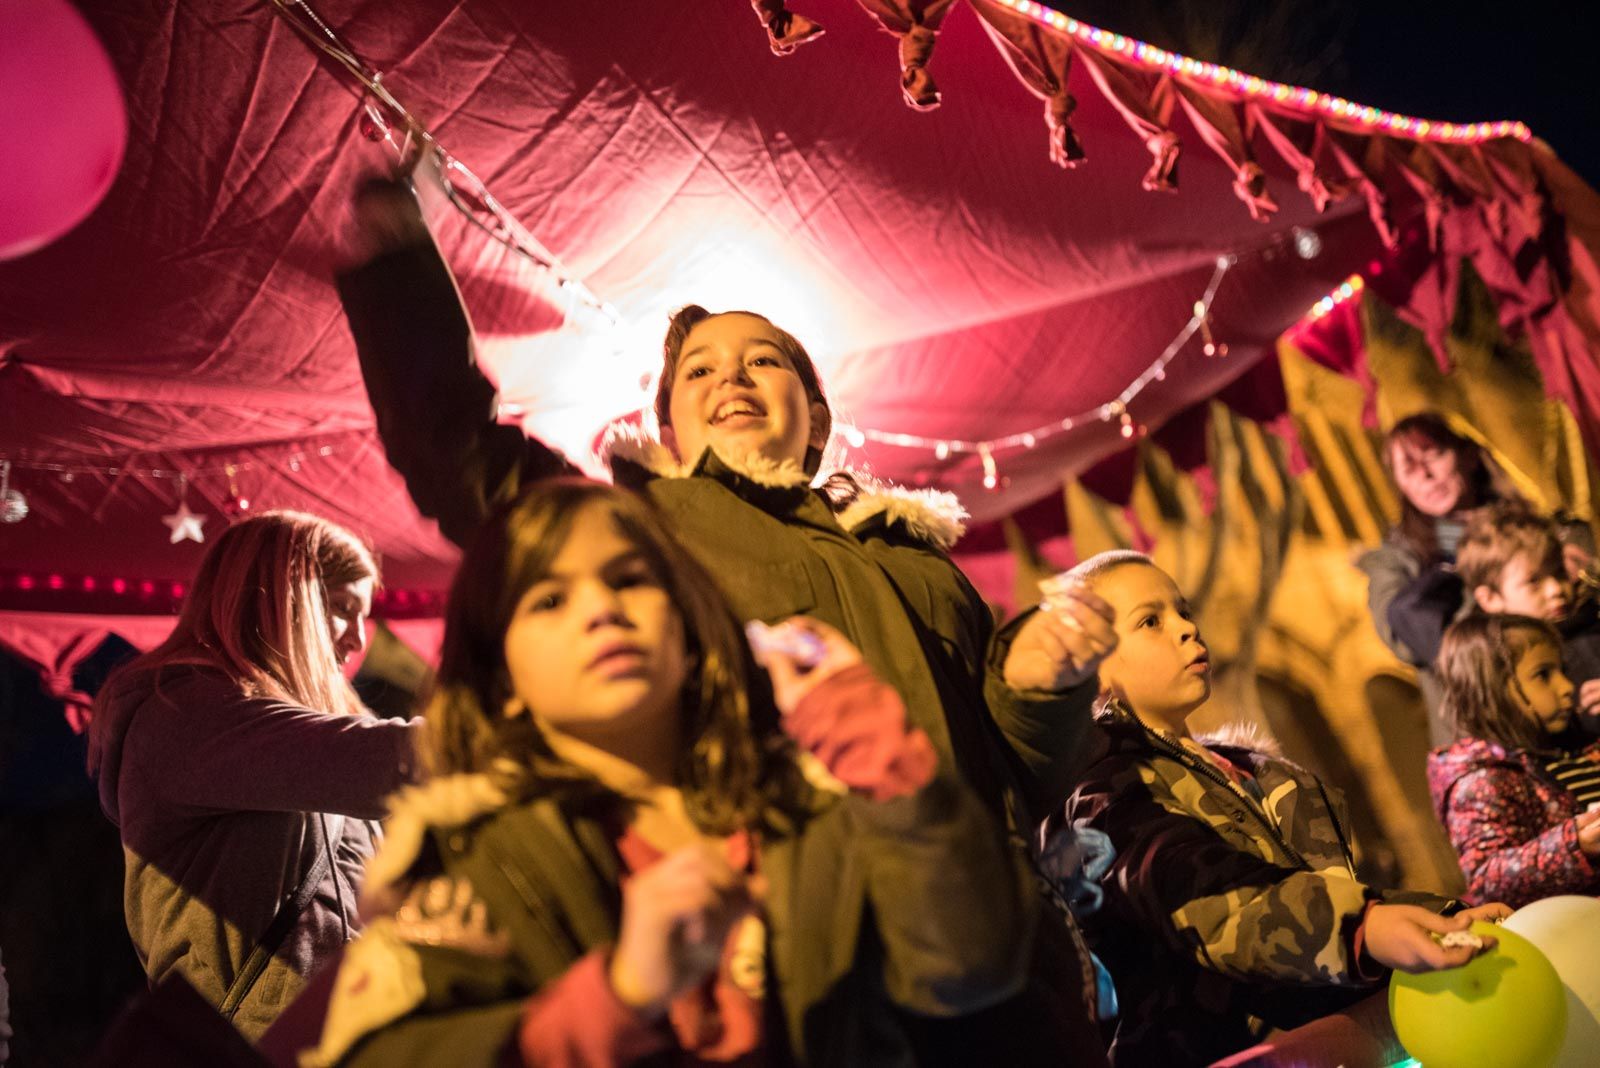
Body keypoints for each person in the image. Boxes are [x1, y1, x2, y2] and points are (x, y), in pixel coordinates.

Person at [336, 176, 1117, 1057]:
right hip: (812, 960)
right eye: (699, 370)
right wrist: (398, 270)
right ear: (666, 424)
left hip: (999, 954)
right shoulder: (641, 540)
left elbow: (1023, 775)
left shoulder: (917, 559)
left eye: (762, 360)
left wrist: (1041, 687)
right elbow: (462, 454)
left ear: (816, 415)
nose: (732, 378)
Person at [295, 479, 1035, 1067]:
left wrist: (882, 759)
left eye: (629, 581)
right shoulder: (468, 848)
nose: (601, 612)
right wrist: (618, 996)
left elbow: (968, 967)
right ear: (504, 675)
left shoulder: (809, 804)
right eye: (549, 599)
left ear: (687, 628)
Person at [1061, 550, 1509, 1067]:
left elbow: (1333, 893)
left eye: (1182, 610)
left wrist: (1444, 918)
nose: (1186, 627)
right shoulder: (1109, 798)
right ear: (1091, 671)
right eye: (1150, 621)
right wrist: (1360, 928)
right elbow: (1210, 895)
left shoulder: (1258, 774)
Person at [87, 511, 422, 1040]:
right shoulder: (184, 716)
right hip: (256, 1047)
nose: (359, 639)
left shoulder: (288, 729)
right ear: (283, 600)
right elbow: (389, 762)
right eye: (341, 609)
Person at [1356, 412, 1517, 744]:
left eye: (1434, 456)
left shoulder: (1523, 520)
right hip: (1484, 737)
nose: (1426, 477)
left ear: (1468, 454)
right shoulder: (1397, 559)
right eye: (1409, 470)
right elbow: (1403, 636)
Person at [1427, 614, 1600, 908]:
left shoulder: (1574, 748)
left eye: (1562, 670)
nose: (1566, 686)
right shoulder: (1483, 778)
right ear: (1492, 688)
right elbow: (1487, 880)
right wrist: (1575, 845)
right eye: (1544, 674)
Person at [1457, 501, 1600, 735]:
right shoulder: (1493, 668)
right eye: (1533, 581)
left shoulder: (1591, 628)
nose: (1555, 589)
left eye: (1558, 572)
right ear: (1490, 598)